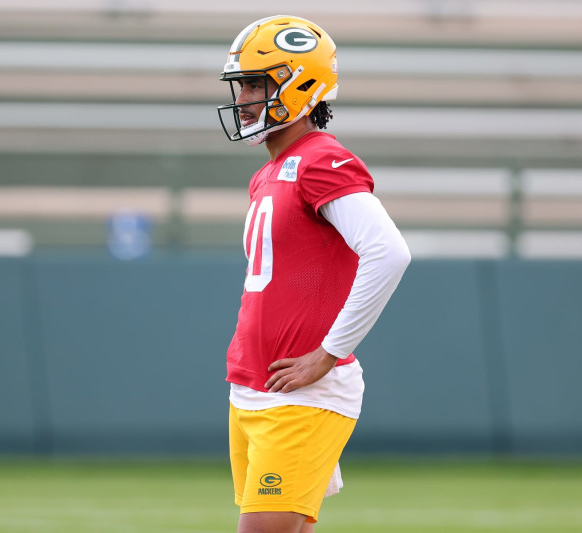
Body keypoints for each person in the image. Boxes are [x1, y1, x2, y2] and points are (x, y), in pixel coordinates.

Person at [217, 15, 411, 533]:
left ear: (300, 83)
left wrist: (328, 353)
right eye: (243, 87)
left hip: (299, 397)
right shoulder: (268, 172)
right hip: (257, 387)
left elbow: (389, 253)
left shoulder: (322, 159)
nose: (244, 100)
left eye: (256, 84)